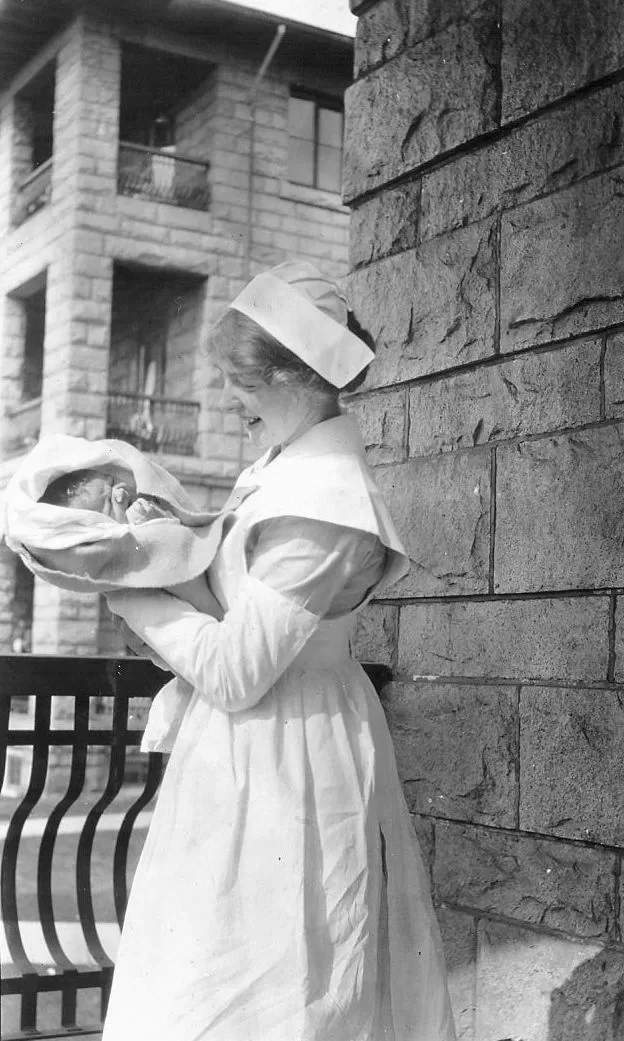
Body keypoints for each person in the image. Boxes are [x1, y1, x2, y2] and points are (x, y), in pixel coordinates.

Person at [102, 260, 457, 1041]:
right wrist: (148, 547)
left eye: (244, 382)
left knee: (278, 987)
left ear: (299, 376)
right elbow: (230, 608)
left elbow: (234, 669)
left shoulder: (327, 502)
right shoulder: (281, 468)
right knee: (208, 974)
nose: (233, 403)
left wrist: (128, 589)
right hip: (245, 752)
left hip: (291, 753)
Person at [1, 439, 228, 751]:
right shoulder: (126, 588)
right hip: (210, 646)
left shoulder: (139, 518)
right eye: (109, 498)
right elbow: (171, 561)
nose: (121, 493)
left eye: (115, 485)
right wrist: (152, 532)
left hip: (215, 646)